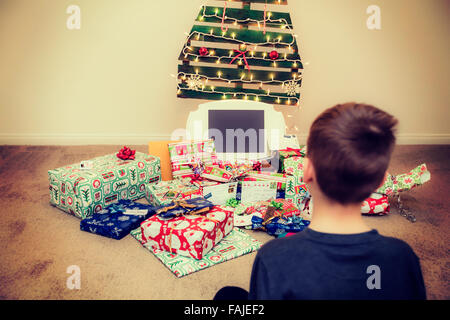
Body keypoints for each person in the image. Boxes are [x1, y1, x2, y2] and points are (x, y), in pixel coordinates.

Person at [214, 102, 426, 300]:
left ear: (306, 171)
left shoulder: (274, 257)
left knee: (228, 296)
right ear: (380, 181)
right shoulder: (402, 258)